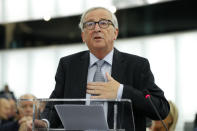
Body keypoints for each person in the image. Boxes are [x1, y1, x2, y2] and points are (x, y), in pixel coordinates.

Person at [28, 7, 170, 131]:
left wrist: (121, 91)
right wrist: (45, 122)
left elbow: (161, 108)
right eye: (90, 24)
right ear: (83, 36)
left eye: (104, 23)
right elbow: (56, 102)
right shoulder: (68, 65)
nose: (96, 28)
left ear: (115, 33)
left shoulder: (137, 65)